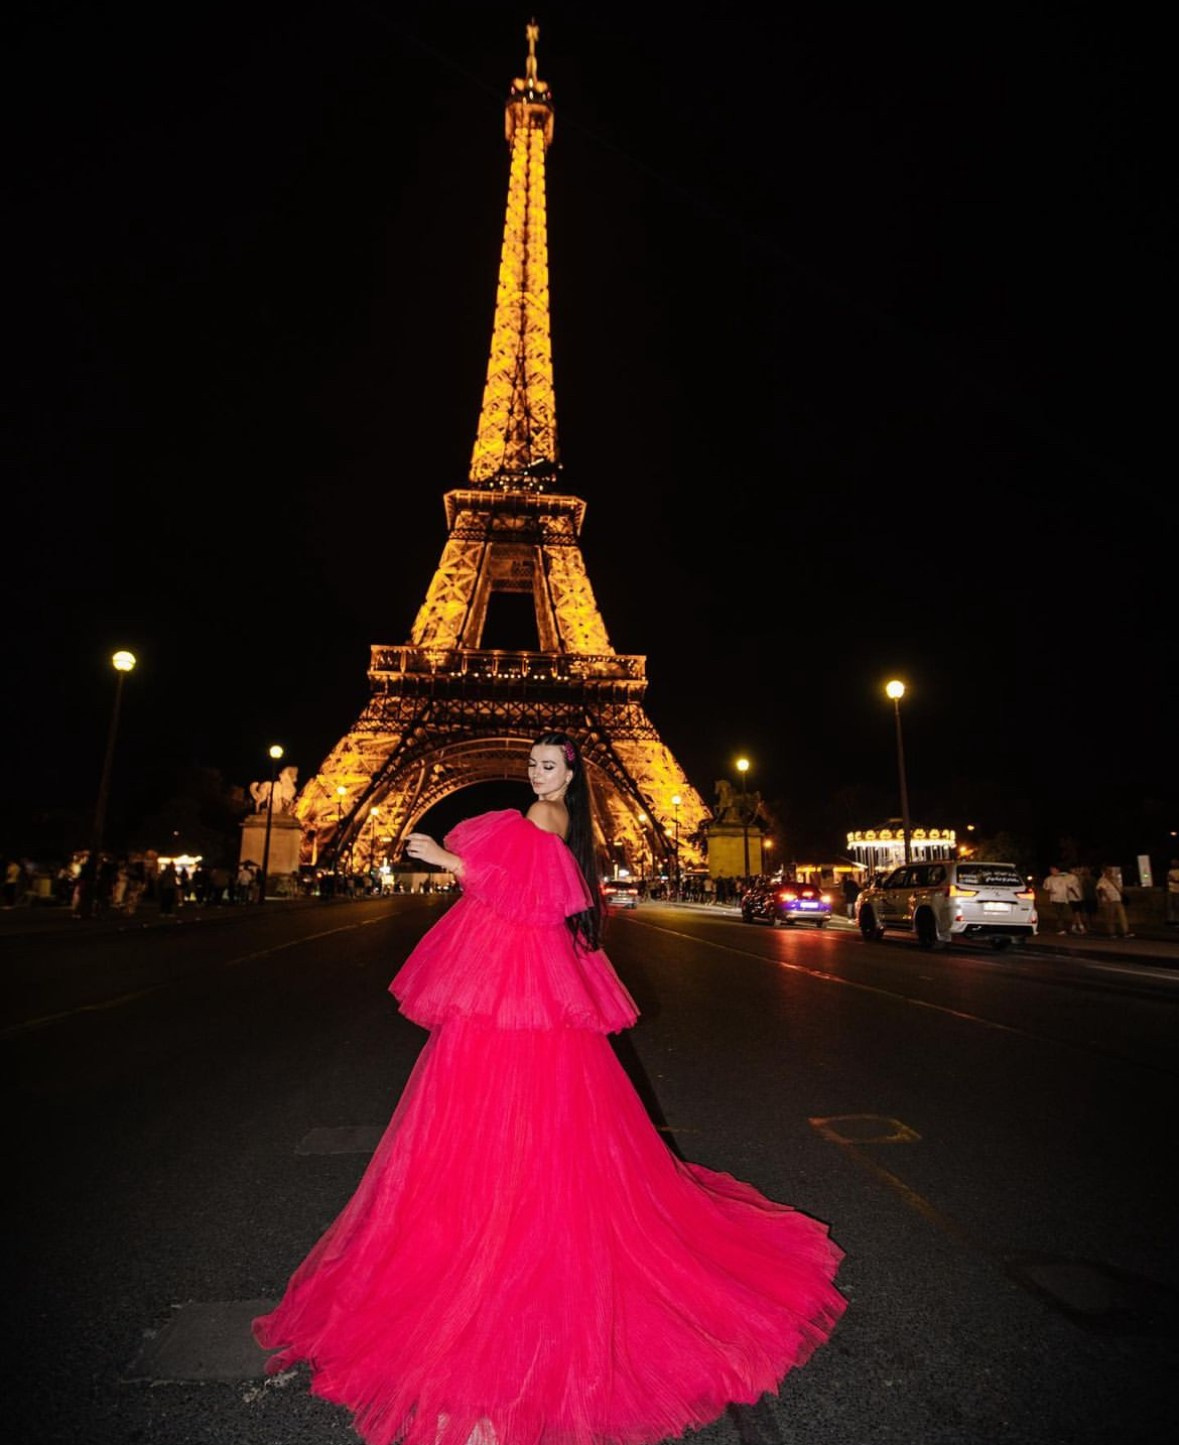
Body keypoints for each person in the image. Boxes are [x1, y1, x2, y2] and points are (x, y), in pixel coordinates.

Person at [253, 730, 846, 1445]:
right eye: (530, 763)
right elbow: (534, 892)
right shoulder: (549, 819)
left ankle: (498, 1241)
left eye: (547, 764)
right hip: (530, 982)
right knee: (546, 1118)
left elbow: (521, 897)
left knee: (488, 1108)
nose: (535, 773)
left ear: (570, 772)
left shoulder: (543, 817)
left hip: (513, 983)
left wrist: (447, 858)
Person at [1095, 866, 1132, 938]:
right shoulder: (1102, 880)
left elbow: (1120, 888)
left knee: (1122, 916)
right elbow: (1101, 890)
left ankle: (1126, 931)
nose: (1110, 872)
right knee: (1110, 917)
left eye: (1111, 871)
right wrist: (1107, 898)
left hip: (1118, 899)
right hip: (1110, 901)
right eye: (1109, 871)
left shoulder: (1115, 879)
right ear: (1104, 872)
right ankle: (1112, 932)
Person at [1042, 865, 1079, 935]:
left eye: (1053, 870)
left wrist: (1075, 895)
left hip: (1064, 898)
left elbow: (1070, 886)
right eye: (1051, 870)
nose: (1052, 871)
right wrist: (1049, 891)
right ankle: (1061, 928)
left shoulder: (1064, 878)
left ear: (1057, 870)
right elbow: (1046, 888)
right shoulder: (1049, 879)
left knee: (1065, 913)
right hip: (1055, 899)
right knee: (1059, 913)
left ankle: (1067, 927)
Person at [1167, 858, 1179, 927]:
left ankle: (1177, 921)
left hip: (1177, 891)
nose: (1173, 864)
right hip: (1171, 890)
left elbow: (1174, 880)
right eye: (1172, 863)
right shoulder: (1170, 871)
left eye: (1175, 863)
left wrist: (1173, 880)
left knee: (1177, 906)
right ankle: (1172, 920)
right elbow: (1168, 879)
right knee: (1172, 906)